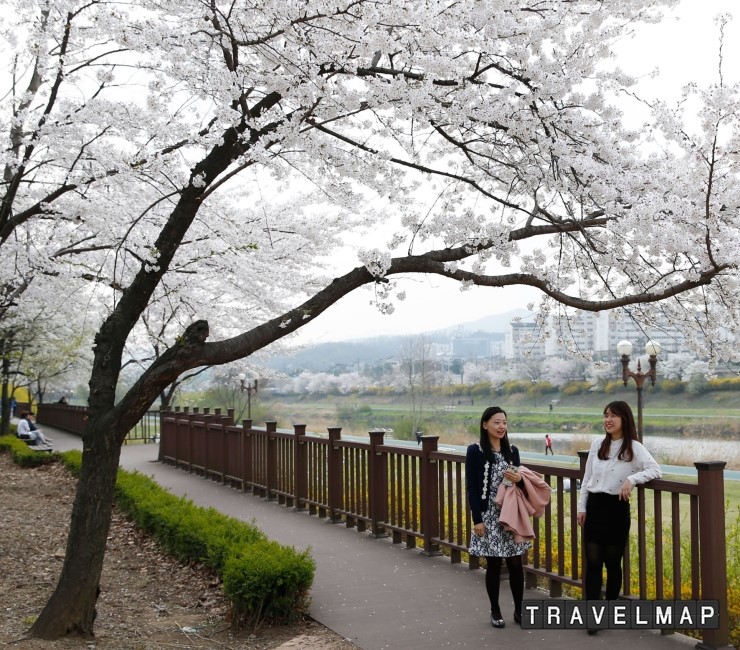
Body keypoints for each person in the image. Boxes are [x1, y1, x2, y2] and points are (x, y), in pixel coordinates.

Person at [576, 400, 661, 635]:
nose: (608, 420)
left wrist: (632, 479)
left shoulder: (634, 447)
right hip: (595, 507)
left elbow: (655, 469)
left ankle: (611, 609)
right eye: (605, 415)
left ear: (625, 419)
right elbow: (587, 479)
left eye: (613, 416)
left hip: (616, 509)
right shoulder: (597, 444)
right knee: (593, 563)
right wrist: (581, 507)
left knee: (612, 563)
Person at [465, 406, 529, 629]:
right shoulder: (475, 451)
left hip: (509, 514)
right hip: (488, 514)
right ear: (485, 425)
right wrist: (477, 519)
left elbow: (518, 484)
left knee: (515, 562)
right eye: (496, 422)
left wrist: (519, 478)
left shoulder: (512, 450)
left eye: (504, 422)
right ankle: (495, 610)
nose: (501, 426)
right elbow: (472, 488)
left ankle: (520, 610)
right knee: (493, 563)